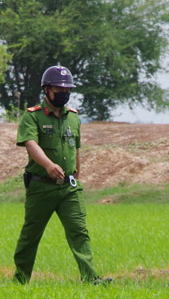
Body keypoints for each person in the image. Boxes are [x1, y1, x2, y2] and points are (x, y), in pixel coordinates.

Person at [12, 65, 109, 285]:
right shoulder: (32, 117)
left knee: (79, 232)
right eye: (59, 90)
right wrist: (48, 165)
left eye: (67, 90)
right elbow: (30, 143)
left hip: (69, 188)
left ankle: (91, 278)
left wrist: (77, 176)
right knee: (31, 235)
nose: (64, 94)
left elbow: (75, 150)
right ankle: (20, 280)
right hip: (41, 187)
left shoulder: (73, 118)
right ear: (46, 90)